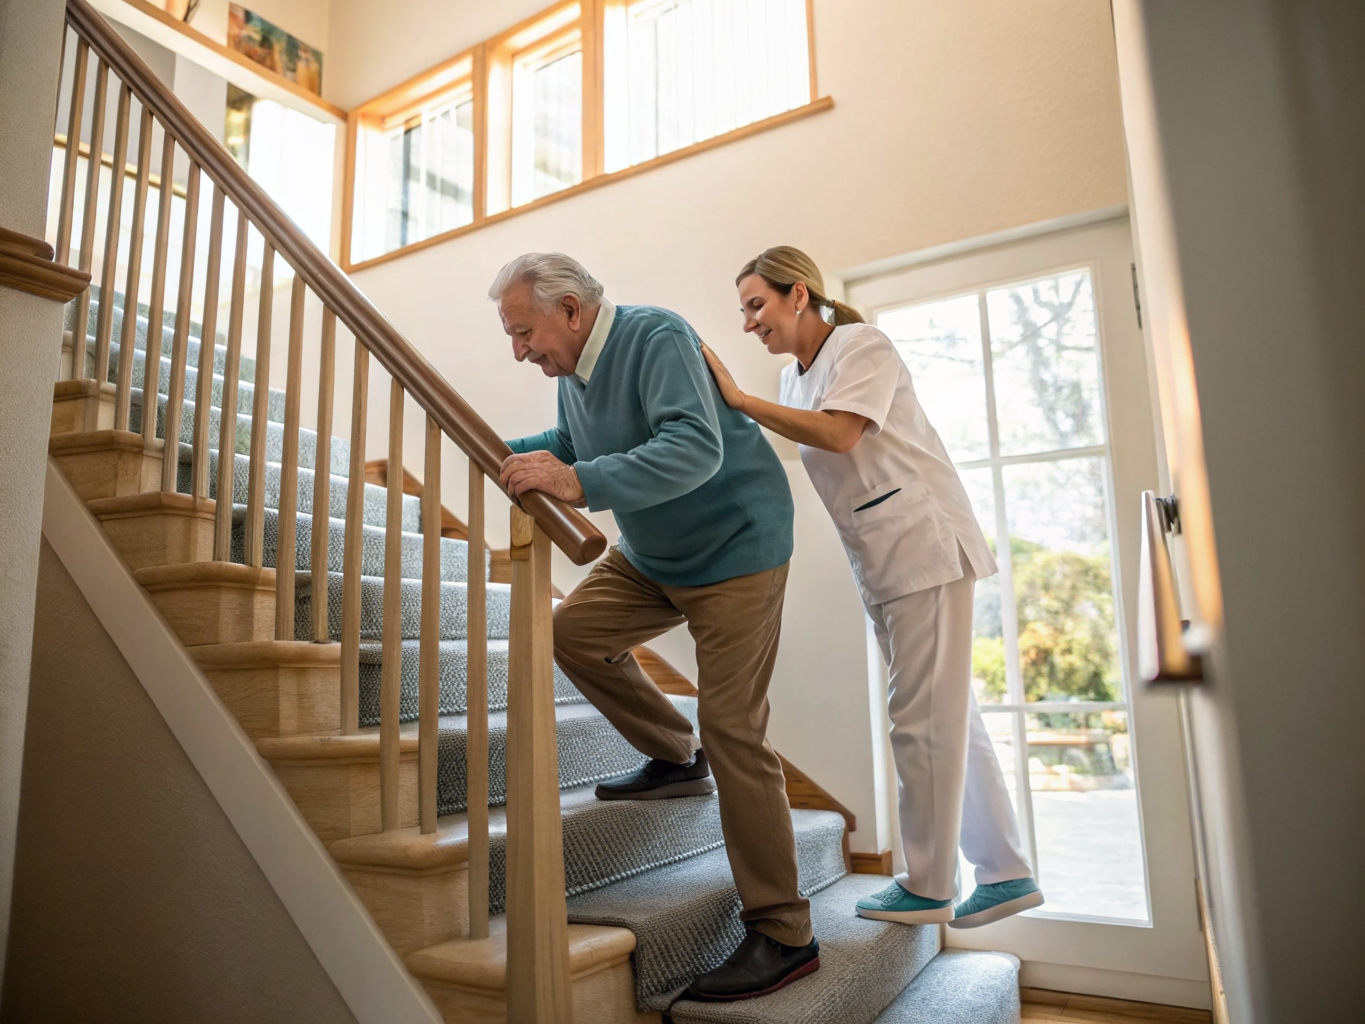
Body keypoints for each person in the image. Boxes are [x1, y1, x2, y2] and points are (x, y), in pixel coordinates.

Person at [492, 253, 820, 1000]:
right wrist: (508, 451)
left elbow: (693, 448)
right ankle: (675, 754)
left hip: (736, 550)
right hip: (653, 554)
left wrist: (574, 482)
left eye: (524, 332)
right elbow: (574, 444)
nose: (519, 350)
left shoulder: (656, 337)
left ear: (570, 310)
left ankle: (784, 932)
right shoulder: (576, 371)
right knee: (571, 633)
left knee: (733, 726)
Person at [701, 246, 1044, 929]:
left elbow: (840, 434)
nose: (748, 323)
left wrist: (739, 399)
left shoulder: (862, 346)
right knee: (950, 717)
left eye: (756, 305)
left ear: (799, 294)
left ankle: (928, 883)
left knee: (919, 722)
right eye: (742, 311)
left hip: (924, 549)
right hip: (883, 560)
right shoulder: (791, 377)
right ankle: (1004, 871)